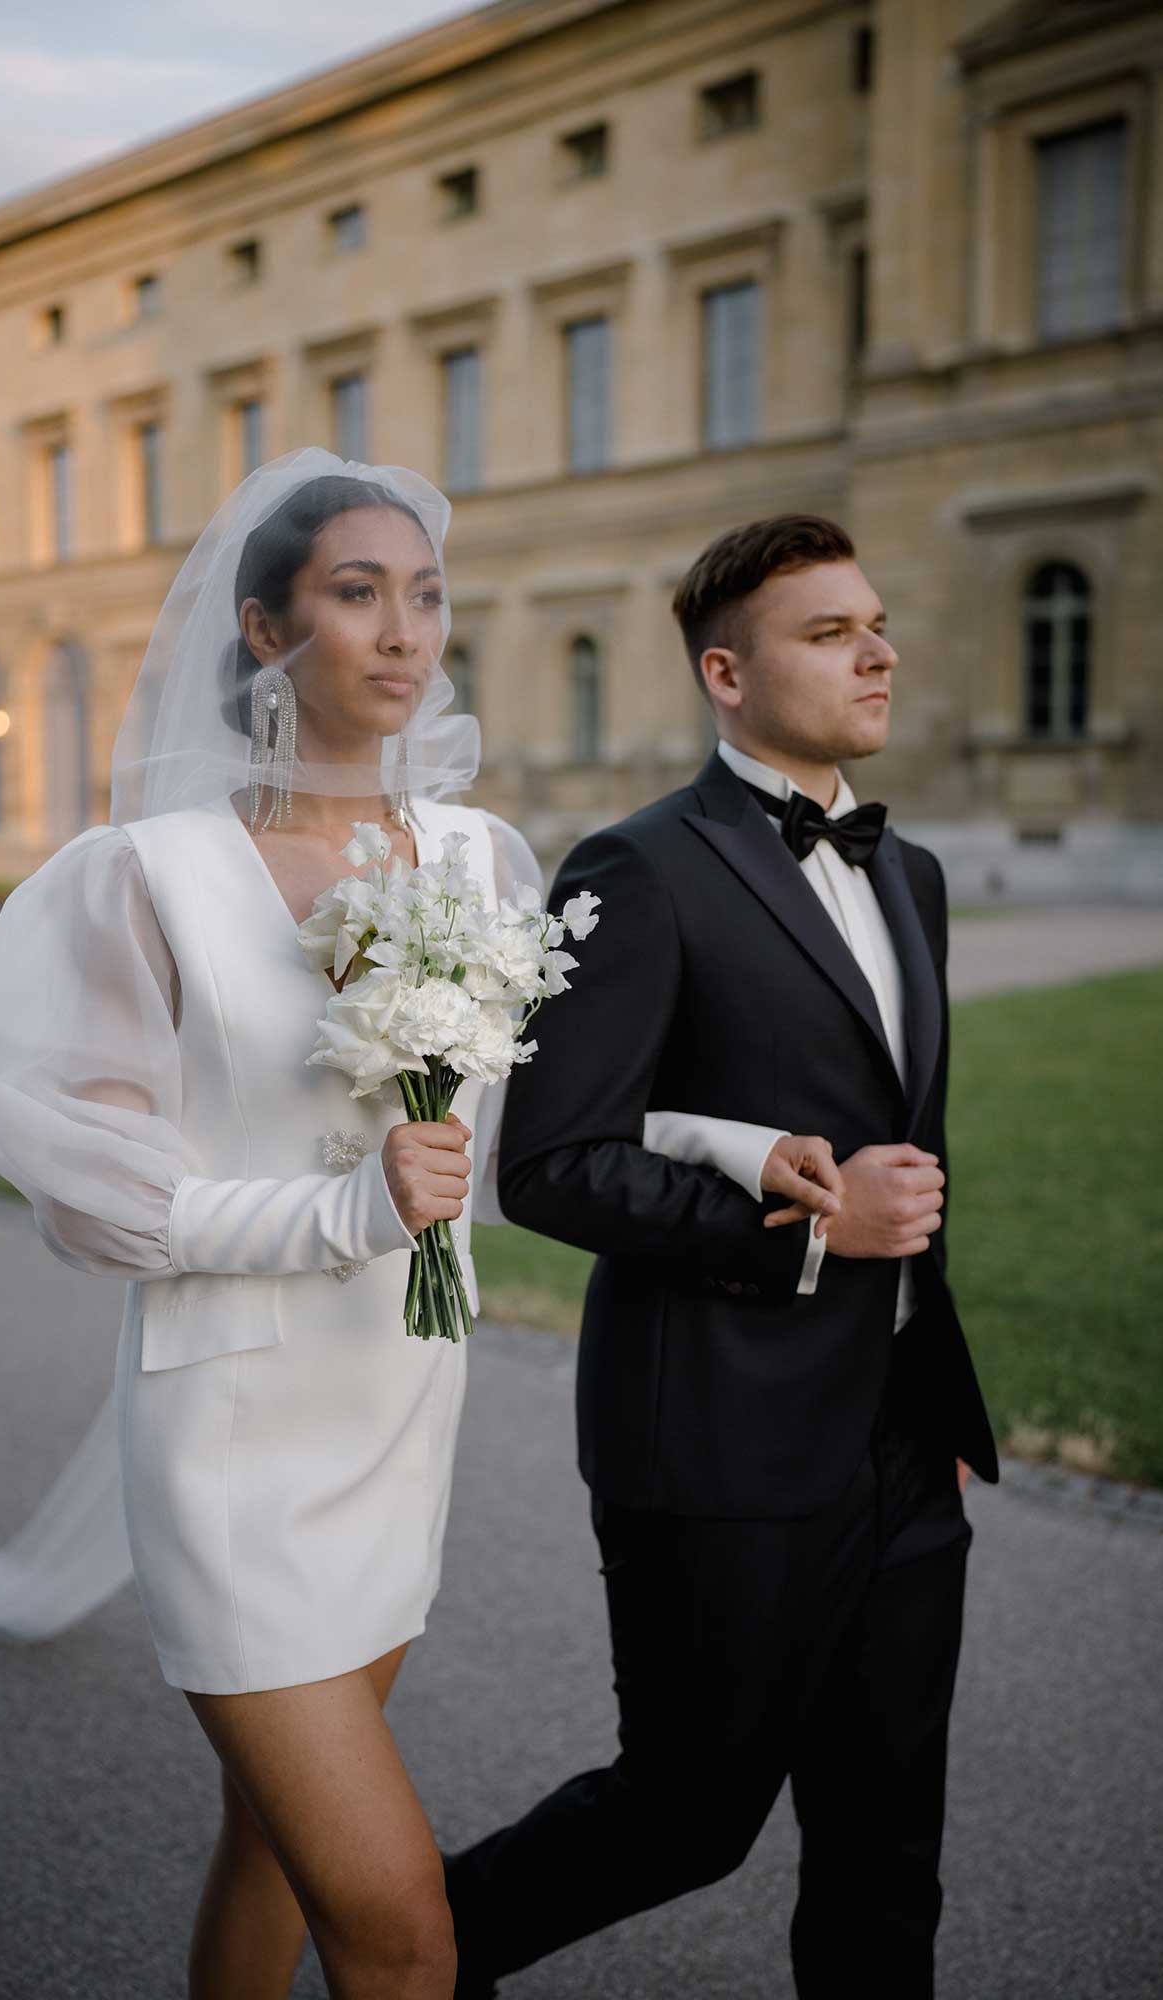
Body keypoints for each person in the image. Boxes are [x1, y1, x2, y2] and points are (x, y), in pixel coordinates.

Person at [0, 451, 844, 2000]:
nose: (405, 631)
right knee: (399, 1932)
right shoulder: (153, 879)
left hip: (397, 1415)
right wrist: (338, 1206)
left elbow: (560, 1109)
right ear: (264, 630)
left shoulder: (478, 858)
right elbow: (94, 1192)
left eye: (425, 595)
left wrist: (739, 1144)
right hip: (234, 1432)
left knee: (264, 1844)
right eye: (355, 593)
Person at [444, 513, 998, 2000]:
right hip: (715, 1439)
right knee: (683, 1819)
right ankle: (409, 1952)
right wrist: (804, 1230)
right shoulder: (635, 867)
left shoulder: (914, 874)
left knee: (888, 1855)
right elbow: (552, 1163)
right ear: (725, 673)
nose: (875, 650)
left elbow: (908, 1147)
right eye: (827, 632)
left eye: (875, 623)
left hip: (898, 1444)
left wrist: (926, 1389)